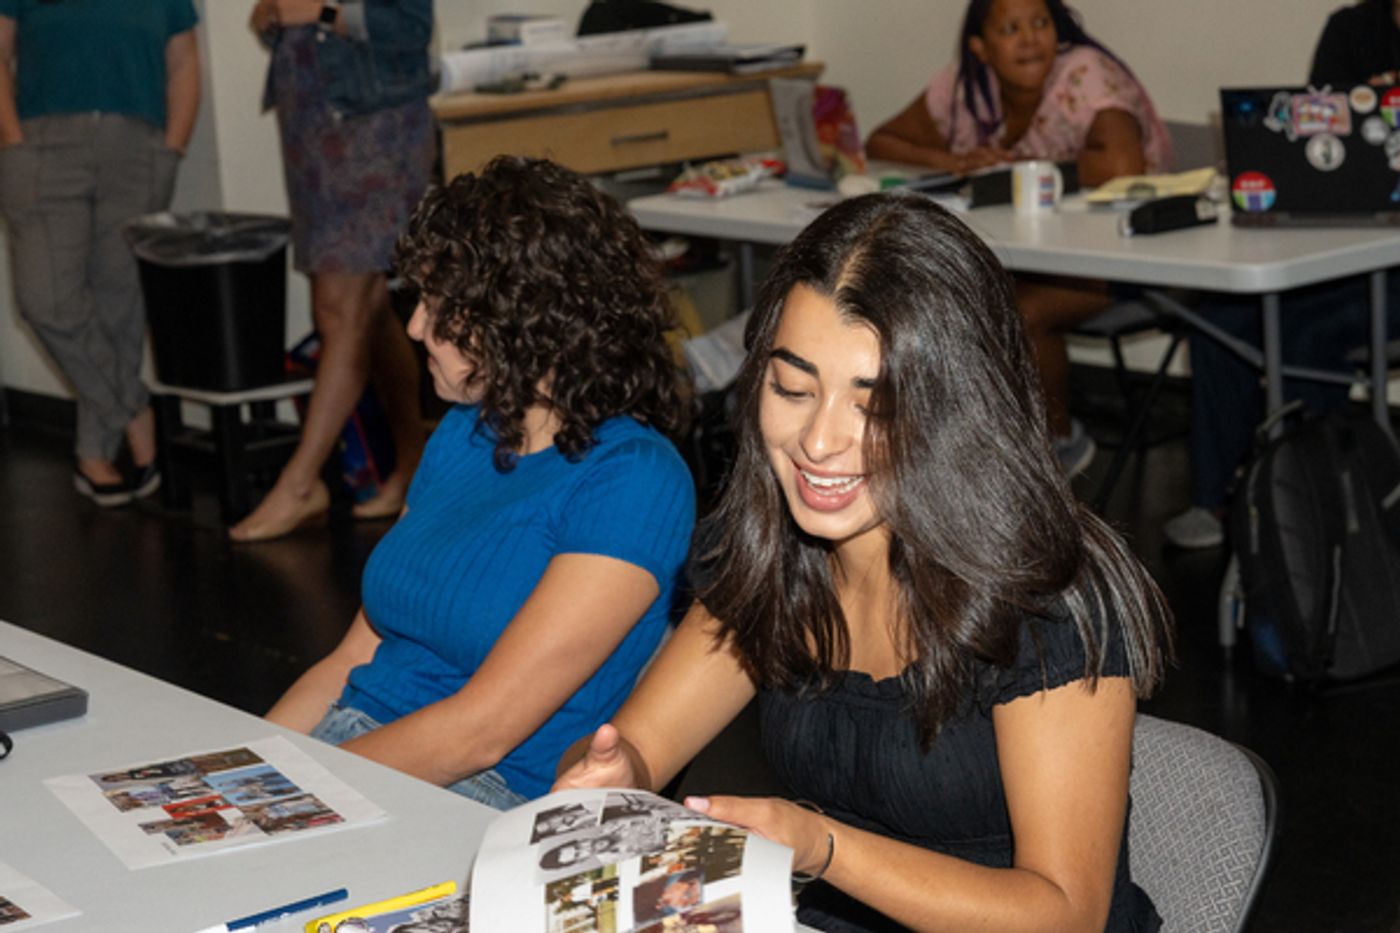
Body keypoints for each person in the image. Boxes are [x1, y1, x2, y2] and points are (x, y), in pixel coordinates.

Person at [556, 193, 1173, 932]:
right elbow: (641, 745)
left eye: (872, 406)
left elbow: (1065, 915)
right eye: (793, 388)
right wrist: (613, 774)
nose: (818, 442)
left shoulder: (1048, 599)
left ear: (958, 408)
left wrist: (822, 847)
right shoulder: (776, 550)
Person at [264, 156, 696, 809]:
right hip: (356, 755)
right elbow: (351, 658)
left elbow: (481, 734)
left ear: (527, 321)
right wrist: (245, 765)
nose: (415, 327)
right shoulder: (465, 431)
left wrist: (290, 797)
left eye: (440, 307)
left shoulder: (635, 479)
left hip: (471, 795)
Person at [866, 0, 1171, 476]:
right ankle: (952, 449)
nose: (1030, 39)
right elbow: (881, 143)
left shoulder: (1084, 73)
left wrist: (1020, 169)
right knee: (939, 294)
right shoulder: (966, 86)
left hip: (1126, 259)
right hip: (1032, 255)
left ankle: (1057, 447)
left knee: (1019, 312)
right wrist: (954, 162)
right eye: (1010, 29)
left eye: (1041, 23)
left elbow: (1121, 165)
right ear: (980, 47)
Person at [1163, 0, 1400, 549]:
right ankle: (1215, 496)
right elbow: (1315, 146)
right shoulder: (1352, 28)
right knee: (1220, 320)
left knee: (1306, 337)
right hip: (1341, 248)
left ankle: (1315, 504)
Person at [234, 0, 434, 541]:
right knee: (368, 307)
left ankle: (302, 484)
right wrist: (270, 16)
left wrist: (321, 12)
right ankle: (415, 468)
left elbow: (411, 24)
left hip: (373, 133)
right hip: (313, 133)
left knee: (340, 308)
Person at [0, 0, 199, 506]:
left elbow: (183, 66)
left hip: (138, 150)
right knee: (45, 300)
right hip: (42, 148)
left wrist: (172, 149)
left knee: (120, 304)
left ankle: (94, 452)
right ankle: (134, 411)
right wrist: (13, 142)